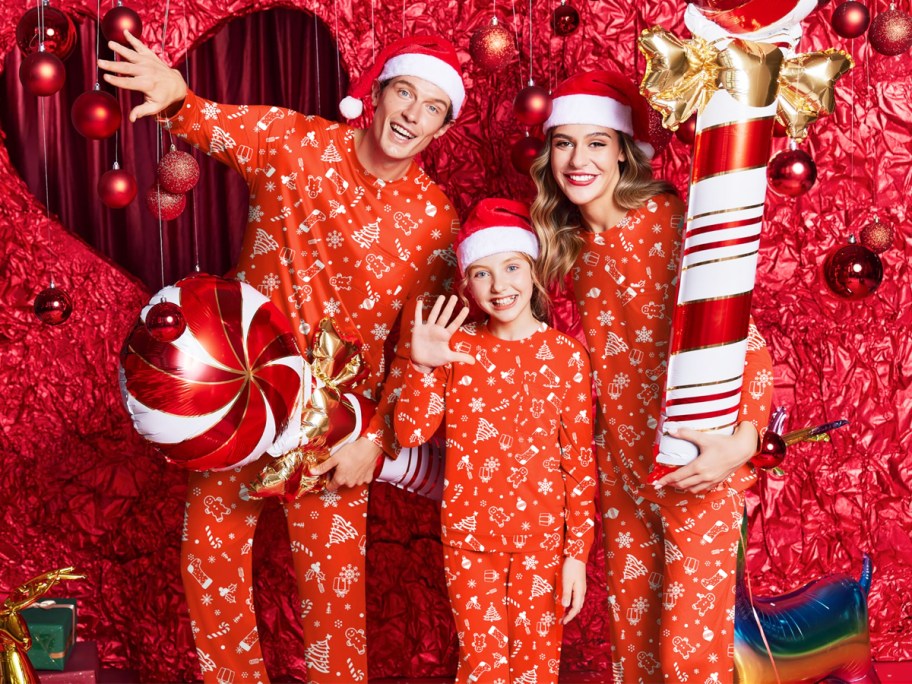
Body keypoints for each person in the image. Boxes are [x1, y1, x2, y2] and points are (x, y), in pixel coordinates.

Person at [99, 32, 466, 683]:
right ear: (378, 93)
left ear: (442, 125)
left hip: (337, 429)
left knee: (332, 604)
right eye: (405, 92)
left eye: (433, 107)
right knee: (209, 565)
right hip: (238, 401)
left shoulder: (436, 222)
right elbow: (206, 118)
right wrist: (174, 97)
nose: (412, 114)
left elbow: (421, 353)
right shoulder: (294, 144)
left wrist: (375, 443)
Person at [529, 71, 775, 683]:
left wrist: (742, 444)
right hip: (621, 471)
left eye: (595, 142)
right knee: (632, 647)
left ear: (622, 150)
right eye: (563, 143)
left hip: (696, 460)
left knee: (689, 654)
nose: (578, 159)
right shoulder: (570, 246)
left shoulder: (670, 219)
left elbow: (747, 339)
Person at [393, 199, 597, 684]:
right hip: (469, 539)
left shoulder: (565, 356)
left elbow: (579, 464)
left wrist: (576, 556)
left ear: (533, 269)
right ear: (467, 283)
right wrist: (420, 366)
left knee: (536, 670)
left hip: (542, 544)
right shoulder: (455, 346)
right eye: (482, 274)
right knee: (481, 668)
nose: (500, 285)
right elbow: (408, 433)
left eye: (510, 267)